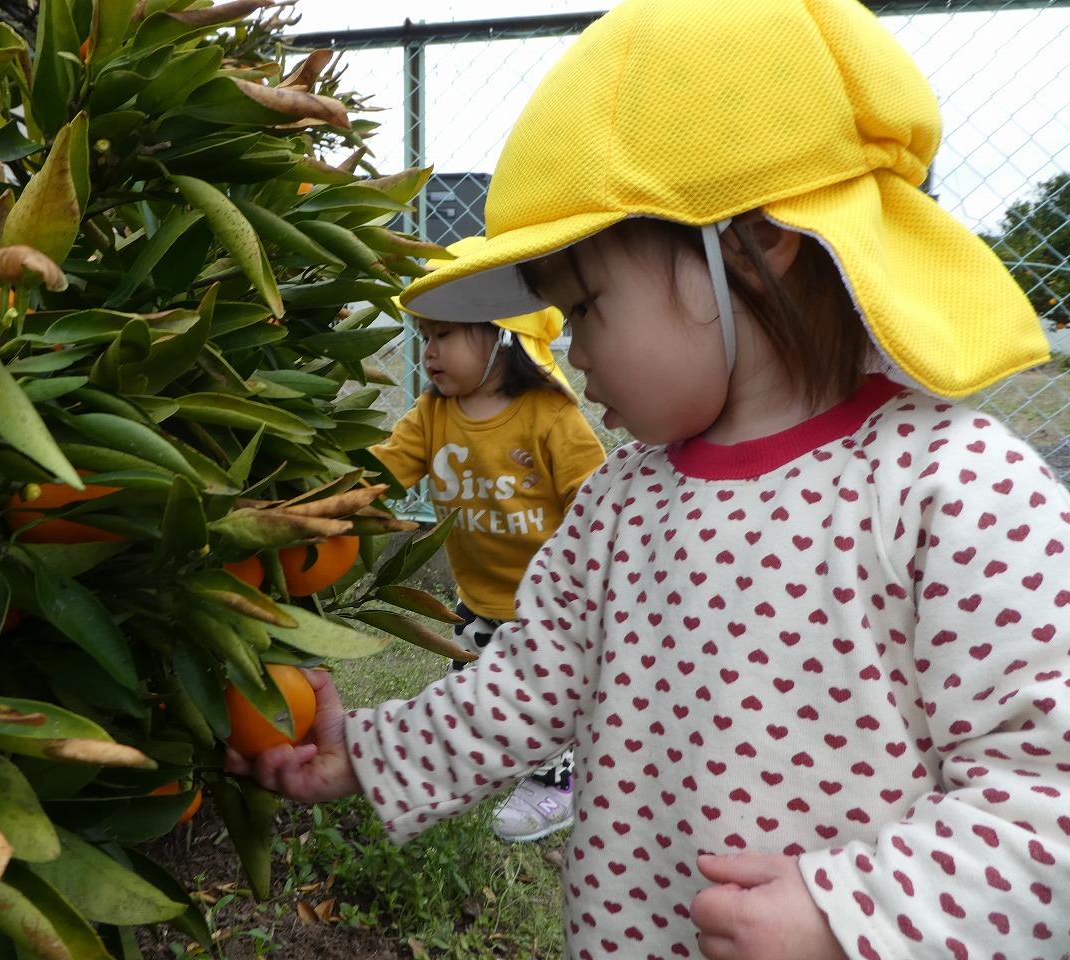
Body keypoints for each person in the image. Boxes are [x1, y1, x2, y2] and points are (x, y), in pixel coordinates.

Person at [228, 0, 1070, 957]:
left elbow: (1048, 796)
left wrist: (853, 915)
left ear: (752, 241)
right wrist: (370, 754)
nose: (572, 349)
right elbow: (524, 686)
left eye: (586, 306)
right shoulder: (621, 503)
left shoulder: (954, 492)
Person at [369, 236, 606, 842]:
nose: (428, 352)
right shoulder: (432, 414)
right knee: (479, 686)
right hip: (478, 596)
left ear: (502, 334)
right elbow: (383, 471)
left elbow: (595, 504)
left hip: (550, 602)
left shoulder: (550, 417)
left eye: (443, 335)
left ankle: (557, 784)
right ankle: (491, 760)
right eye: (424, 336)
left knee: (548, 695)